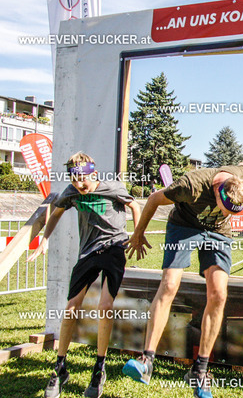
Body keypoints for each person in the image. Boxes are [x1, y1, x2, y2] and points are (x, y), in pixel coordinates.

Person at [123, 163, 243, 398]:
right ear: (218, 192)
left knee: (219, 294)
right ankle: (146, 360)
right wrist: (138, 233)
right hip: (184, 226)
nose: (226, 214)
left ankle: (200, 370)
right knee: (169, 284)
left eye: (232, 213)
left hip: (218, 233)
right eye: (225, 209)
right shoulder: (190, 186)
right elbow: (153, 199)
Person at [28, 152, 140, 398]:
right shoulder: (71, 193)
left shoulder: (112, 188)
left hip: (114, 248)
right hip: (88, 253)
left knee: (105, 306)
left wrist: (137, 234)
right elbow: (55, 213)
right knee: (71, 308)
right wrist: (45, 239)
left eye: (83, 179)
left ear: (94, 174)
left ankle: (99, 368)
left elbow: (134, 204)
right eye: (74, 179)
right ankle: (60, 367)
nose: (79, 184)